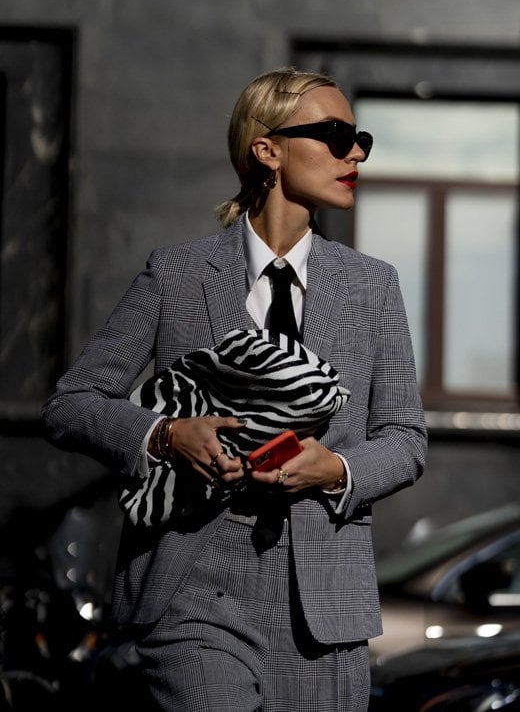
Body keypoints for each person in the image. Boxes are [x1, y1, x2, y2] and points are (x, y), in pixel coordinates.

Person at [41, 67, 427, 712]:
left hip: (324, 604)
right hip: (191, 586)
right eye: (335, 136)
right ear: (267, 149)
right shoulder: (176, 274)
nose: (356, 153)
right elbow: (71, 403)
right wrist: (166, 435)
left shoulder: (373, 286)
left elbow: (405, 438)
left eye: (359, 139)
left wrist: (335, 469)